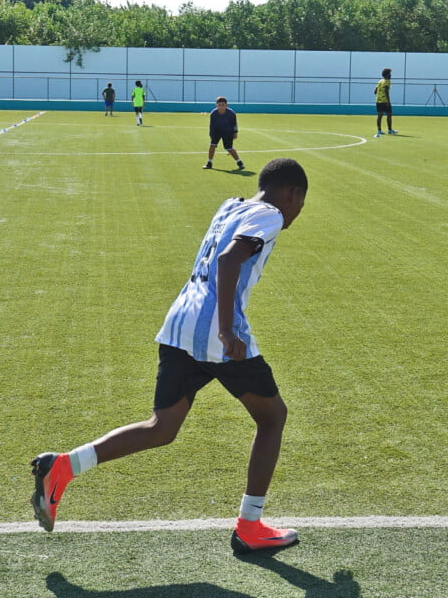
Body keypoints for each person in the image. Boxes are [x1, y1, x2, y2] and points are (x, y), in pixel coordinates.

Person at [30, 158, 309, 555]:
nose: (298, 212)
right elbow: (230, 259)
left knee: (162, 427)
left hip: (180, 321)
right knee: (273, 417)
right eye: (301, 204)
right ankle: (250, 526)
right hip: (214, 331)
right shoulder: (270, 215)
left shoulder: (231, 204)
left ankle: (62, 467)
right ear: (292, 194)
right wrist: (228, 331)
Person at [204, 97, 244, 170]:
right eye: (219, 105)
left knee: (229, 148)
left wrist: (235, 133)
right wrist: (211, 134)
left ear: (226, 105)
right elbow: (211, 125)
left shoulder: (231, 113)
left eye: (223, 104)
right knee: (212, 145)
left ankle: (239, 162)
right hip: (217, 131)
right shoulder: (213, 113)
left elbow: (234, 124)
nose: (221, 106)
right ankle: (209, 163)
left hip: (227, 131)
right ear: (216, 105)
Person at [374, 68, 396, 137]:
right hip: (385, 101)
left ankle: (379, 130)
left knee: (379, 116)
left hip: (378, 101)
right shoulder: (387, 81)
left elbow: (375, 91)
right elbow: (386, 91)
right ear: (387, 75)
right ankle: (389, 130)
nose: (390, 75)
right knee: (389, 114)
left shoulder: (380, 81)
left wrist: (379, 95)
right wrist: (388, 101)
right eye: (389, 74)